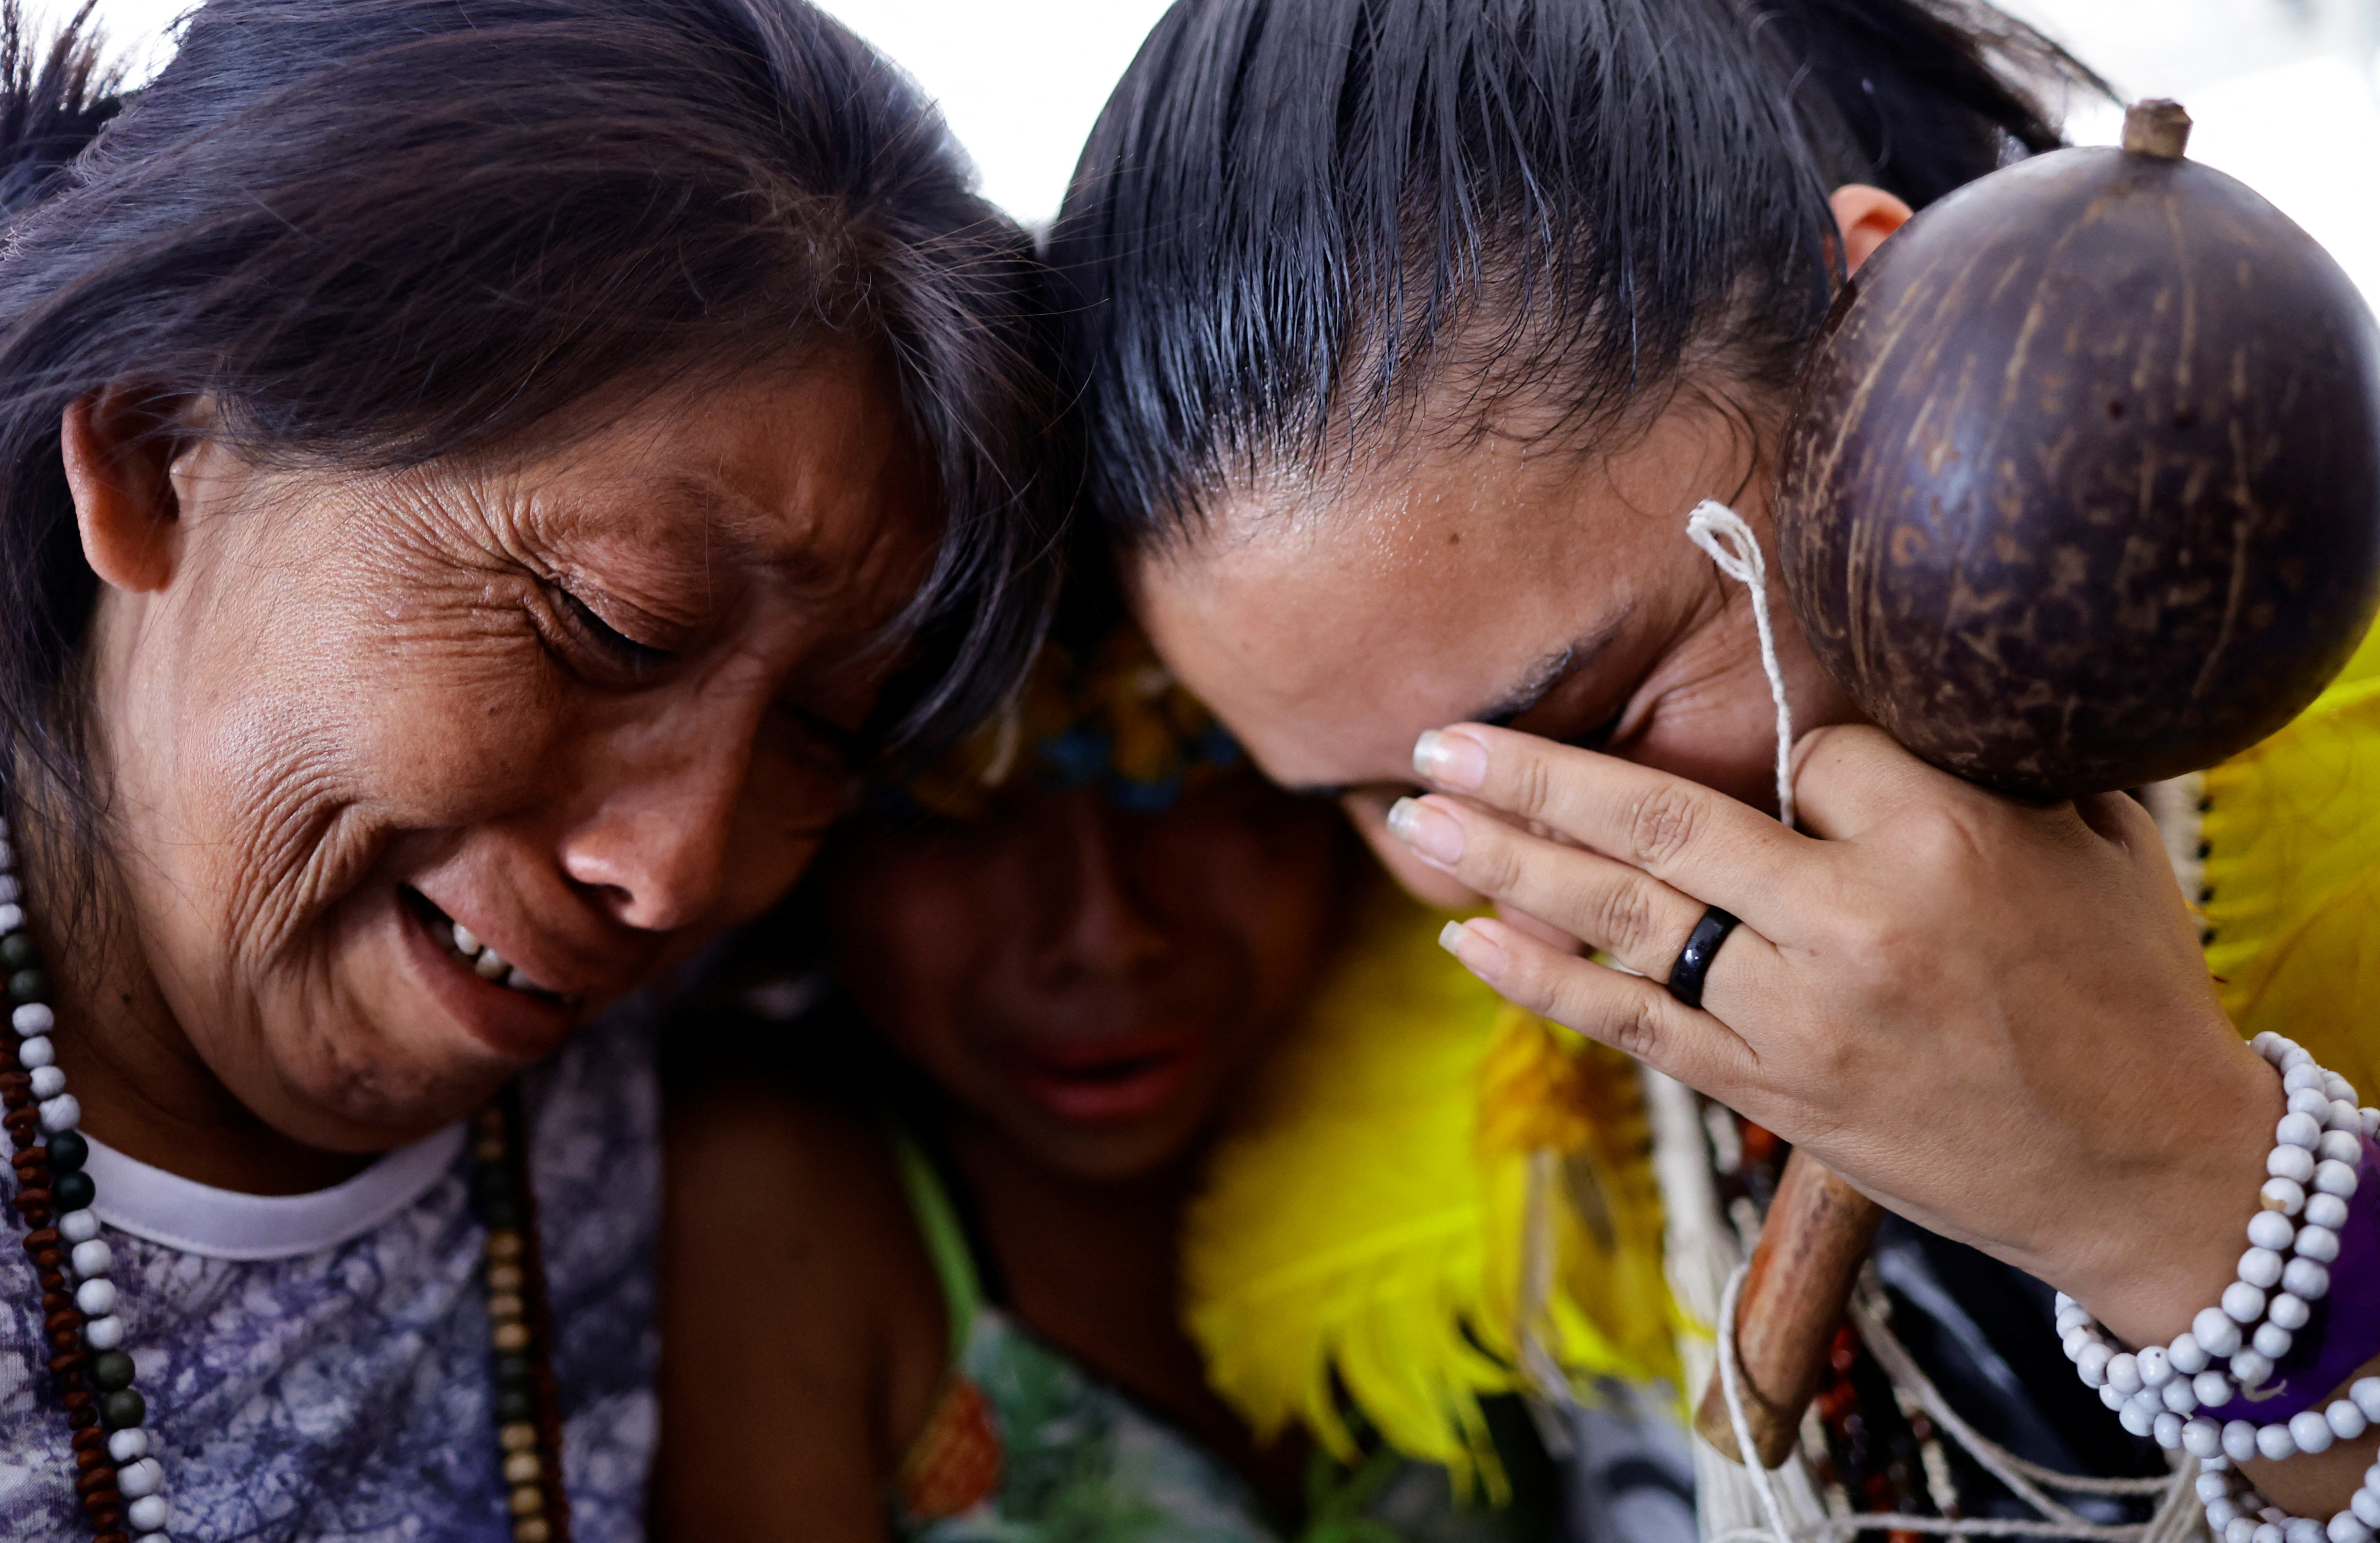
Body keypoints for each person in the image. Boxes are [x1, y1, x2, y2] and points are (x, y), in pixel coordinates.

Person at [1046, 0, 2380, 1535]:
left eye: (1595, 712)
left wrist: (2177, 1193)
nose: (1526, 860)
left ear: (1885, 328)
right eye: (1380, 798)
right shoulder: (1485, 1117)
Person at [0, 0, 1058, 1539]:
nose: (679, 873)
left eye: (825, 734)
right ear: (153, 449)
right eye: (607, 627)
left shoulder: (701, 1111)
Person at [656, 594, 1691, 1542]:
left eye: (1196, 787)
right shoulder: (774, 1199)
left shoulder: (1518, 1037)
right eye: (955, 814)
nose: (1107, 934)